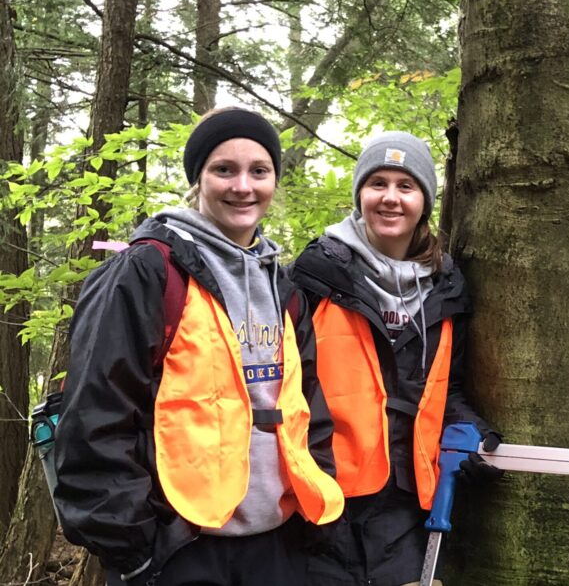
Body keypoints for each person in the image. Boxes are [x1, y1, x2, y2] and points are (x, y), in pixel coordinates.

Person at [53, 107, 344, 586]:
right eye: (223, 170)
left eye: (259, 171)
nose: (243, 186)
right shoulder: (148, 272)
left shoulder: (285, 288)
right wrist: (136, 548)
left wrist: (317, 512)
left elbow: (308, 409)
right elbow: (93, 415)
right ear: (198, 179)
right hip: (178, 549)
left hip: (278, 545)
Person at [289, 131, 501, 586]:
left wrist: (474, 434)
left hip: (407, 509)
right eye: (377, 184)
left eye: (406, 186)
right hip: (322, 502)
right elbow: (287, 384)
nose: (390, 198)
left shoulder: (447, 286)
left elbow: (450, 386)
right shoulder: (314, 276)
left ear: (424, 199)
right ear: (359, 194)